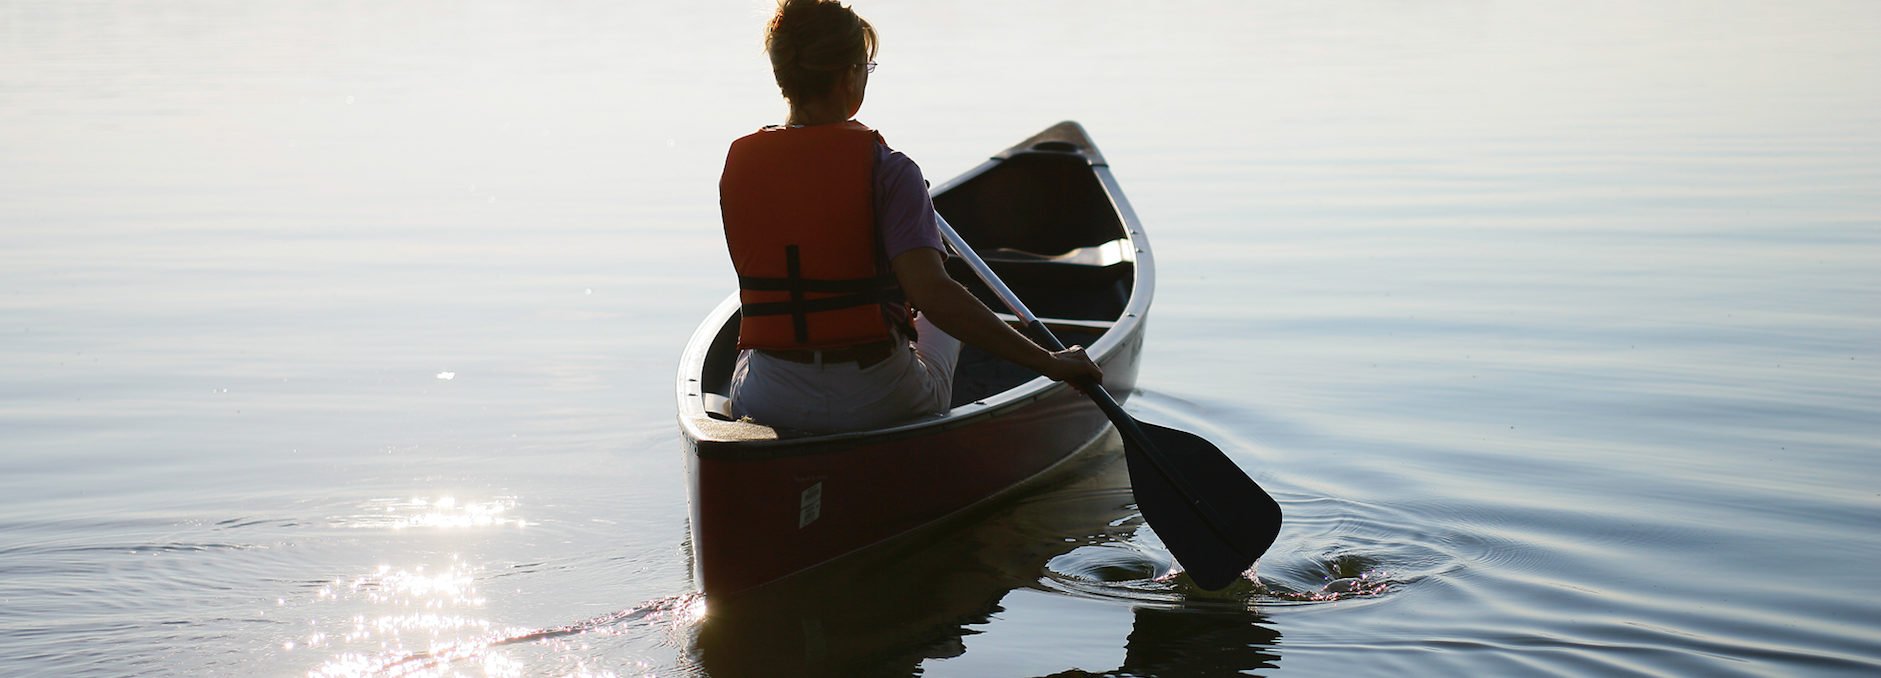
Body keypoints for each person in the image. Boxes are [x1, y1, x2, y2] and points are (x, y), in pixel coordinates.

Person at [720, 0, 1101, 433]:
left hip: (771, 404)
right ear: (849, 75)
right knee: (948, 306)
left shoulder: (740, 165)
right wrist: (1049, 362)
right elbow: (935, 297)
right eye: (867, 67)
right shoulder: (890, 170)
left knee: (750, 352)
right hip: (877, 400)